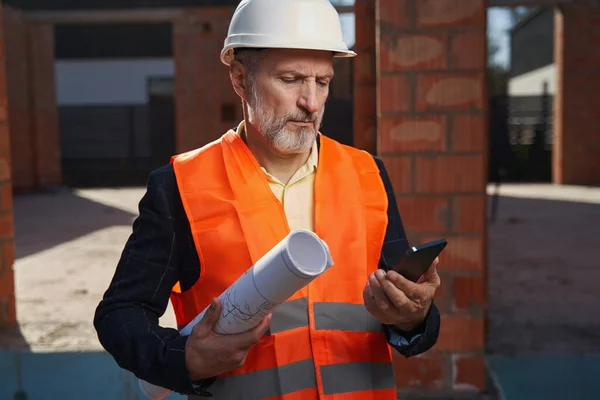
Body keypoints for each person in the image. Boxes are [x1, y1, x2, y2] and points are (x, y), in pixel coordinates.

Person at [94, 0, 442, 398]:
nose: (311, 102)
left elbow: (406, 315)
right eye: (291, 79)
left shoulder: (368, 175)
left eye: (323, 81)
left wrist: (414, 317)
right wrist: (183, 357)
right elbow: (120, 314)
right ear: (240, 79)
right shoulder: (181, 186)